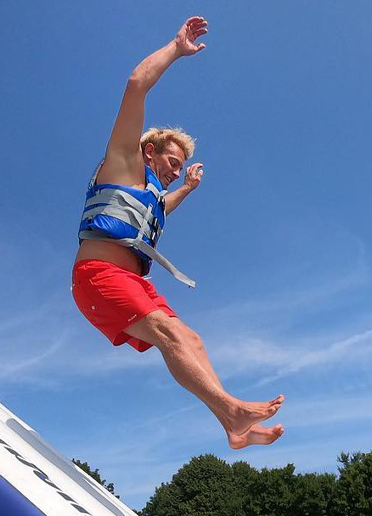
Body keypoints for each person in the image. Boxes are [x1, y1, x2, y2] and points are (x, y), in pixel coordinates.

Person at [71, 16, 285, 449]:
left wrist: (186, 187)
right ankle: (233, 411)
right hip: (98, 275)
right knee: (169, 336)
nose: (175, 167)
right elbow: (136, 84)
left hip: (133, 279)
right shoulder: (122, 164)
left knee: (191, 339)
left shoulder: (152, 194)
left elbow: (159, 207)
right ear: (149, 151)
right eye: (171, 160)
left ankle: (233, 431)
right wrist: (176, 48)